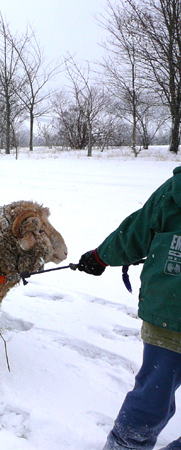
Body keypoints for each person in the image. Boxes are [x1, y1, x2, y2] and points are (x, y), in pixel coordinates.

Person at [76, 165, 181, 450]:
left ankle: (126, 444)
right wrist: (100, 257)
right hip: (171, 311)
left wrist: (100, 257)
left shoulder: (175, 191)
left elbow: (137, 230)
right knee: (155, 388)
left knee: (155, 390)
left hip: (169, 310)